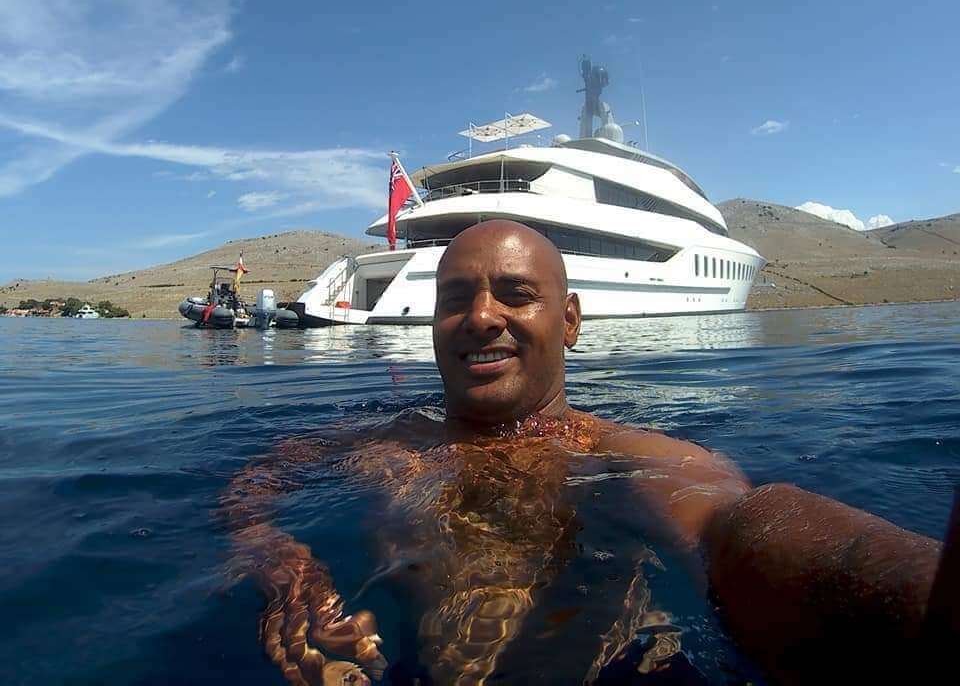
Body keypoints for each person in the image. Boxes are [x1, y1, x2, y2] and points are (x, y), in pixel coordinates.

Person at [223, 220, 957, 686]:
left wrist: (920, 607)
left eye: (515, 294)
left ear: (569, 321)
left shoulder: (615, 454)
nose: (481, 317)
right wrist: (284, 567)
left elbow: (731, 523)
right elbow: (255, 483)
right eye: (456, 299)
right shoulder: (384, 441)